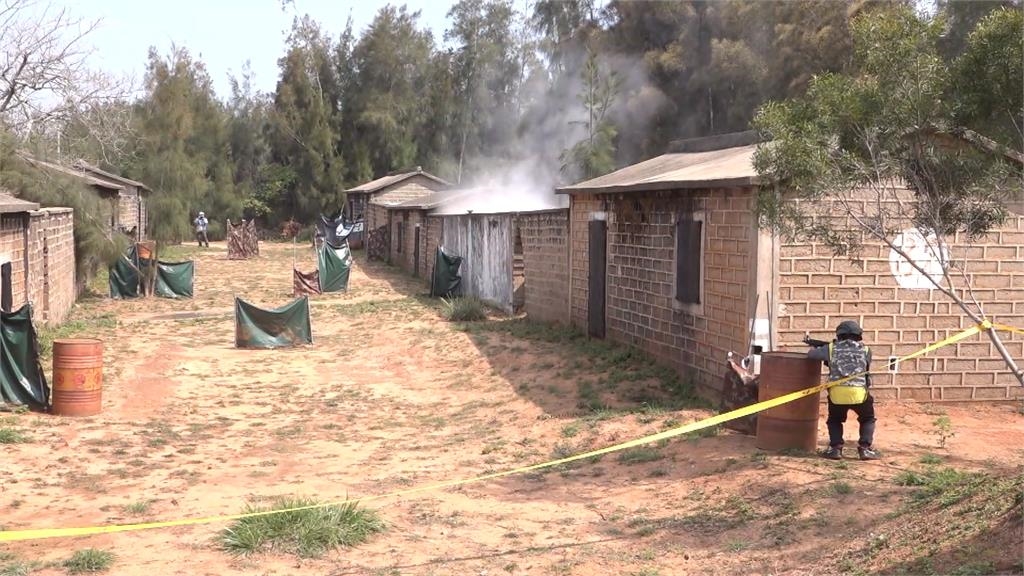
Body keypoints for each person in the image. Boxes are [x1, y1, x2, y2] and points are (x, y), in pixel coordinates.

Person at [807, 320, 881, 460]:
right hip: (859, 394)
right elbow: (863, 366)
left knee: (834, 420)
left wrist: (823, 349)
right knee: (867, 419)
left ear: (839, 334)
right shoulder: (866, 350)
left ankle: (835, 449)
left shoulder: (830, 349)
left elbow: (811, 355)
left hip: (837, 394)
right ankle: (865, 449)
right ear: (858, 335)